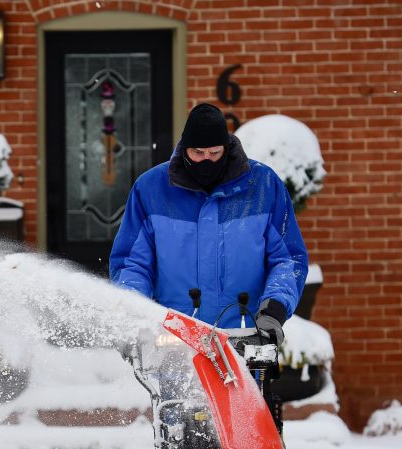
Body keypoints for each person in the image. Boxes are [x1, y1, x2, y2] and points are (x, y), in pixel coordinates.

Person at [109, 103, 308, 344]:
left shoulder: (264, 187)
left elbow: (287, 260)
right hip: (174, 338)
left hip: (246, 336)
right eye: (198, 153)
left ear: (226, 148)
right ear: (185, 149)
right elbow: (133, 264)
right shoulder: (150, 189)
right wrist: (134, 314)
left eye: (214, 153)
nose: (207, 160)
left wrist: (273, 311)